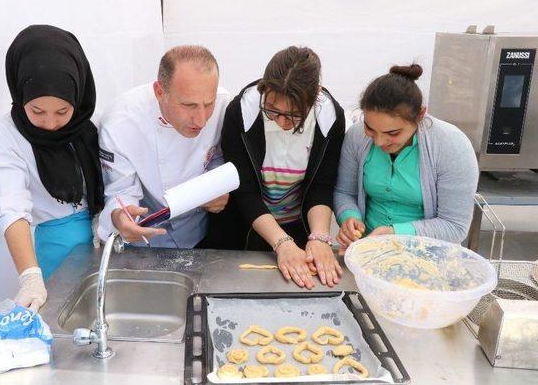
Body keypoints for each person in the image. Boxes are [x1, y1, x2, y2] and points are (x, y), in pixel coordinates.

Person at [0, 25, 104, 311]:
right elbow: (10, 206)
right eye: (37, 111)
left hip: (103, 239)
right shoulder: (6, 135)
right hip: (56, 250)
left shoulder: (85, 129)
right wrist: (30, 277)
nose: (51, 124)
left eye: (62, 112)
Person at [217, 46, 346, 289]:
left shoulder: (330, 118)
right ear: (264, 88)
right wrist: (281, 243)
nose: (283, 122)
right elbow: (244, 191)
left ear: (315, 97)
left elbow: (322, 185)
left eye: (295, 115)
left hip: (298, 226)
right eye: (273, 111)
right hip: (245, 228)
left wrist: (319, 237)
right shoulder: (241, 113)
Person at [334, 64, 479, 252]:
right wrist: (349, 217)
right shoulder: (356, 136)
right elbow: (345, 192)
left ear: (420, 115)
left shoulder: (452, 146)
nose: (379, 142)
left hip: (429, 254)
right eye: (370, 128)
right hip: (367, 250)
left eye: (392, 133)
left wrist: (396, 233)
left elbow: (454, 226)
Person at [97, 45, 230, 248]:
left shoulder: (224, 104)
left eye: (208, 103)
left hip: (199, 234)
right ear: (160, 92)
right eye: (189, 105)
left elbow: (217, 156)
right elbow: (120, 191)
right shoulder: (120, 123)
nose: (202, 120)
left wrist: (219, 185)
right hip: (143, 238)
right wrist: (120, 216)